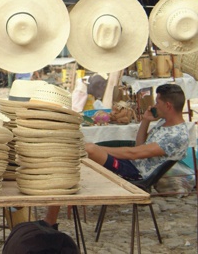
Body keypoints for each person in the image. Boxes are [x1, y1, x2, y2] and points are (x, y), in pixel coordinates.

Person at [44, 83, 190, 227]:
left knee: (88, 150)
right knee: (74, 158)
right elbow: (140, 146)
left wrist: (98, 149)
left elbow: (134, 153)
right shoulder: (165, 124)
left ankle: (50, 218)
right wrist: (145, 120)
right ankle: (51, 213)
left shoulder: (177, 135)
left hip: (137, 174)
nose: (154, 106)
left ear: (168, 106)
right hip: (133, 165)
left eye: (158, 102)